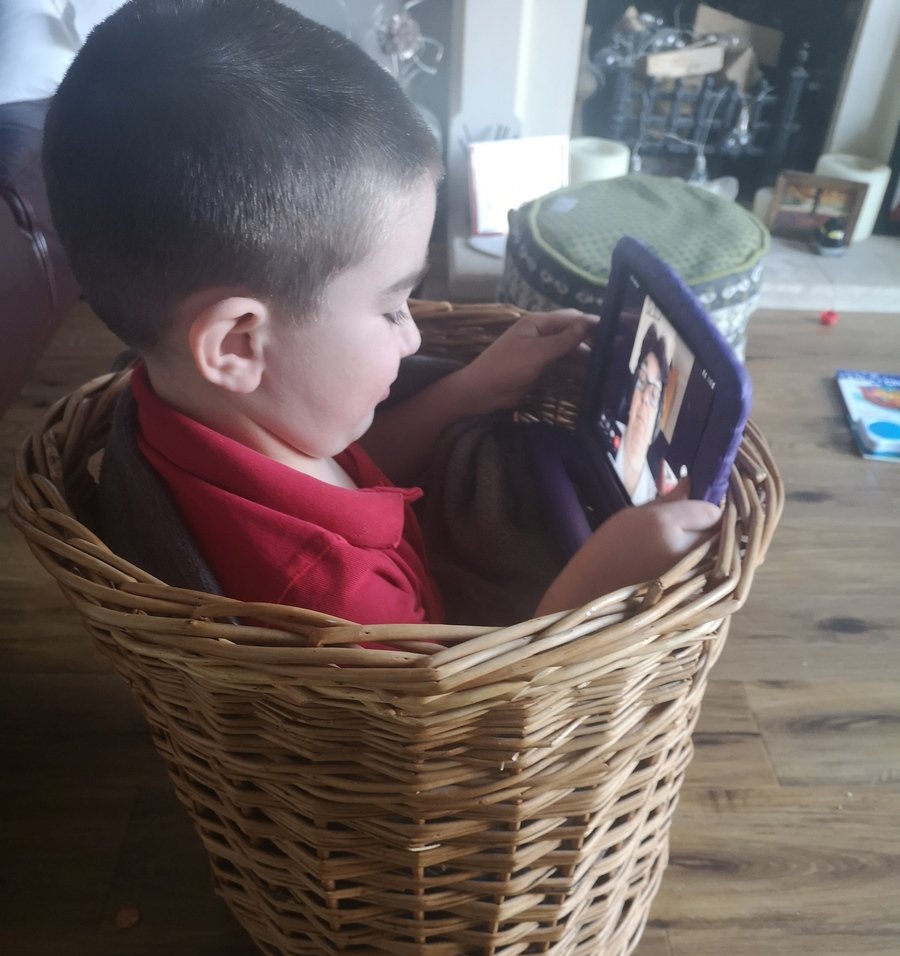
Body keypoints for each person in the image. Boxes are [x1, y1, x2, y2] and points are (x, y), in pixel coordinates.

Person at [42, 0, 720, 626]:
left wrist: (474, 387)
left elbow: (345, 477)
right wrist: (597, 582)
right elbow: (461, 697)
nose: (414, 335)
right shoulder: (332, 594)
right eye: (393, 306)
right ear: (237, 346)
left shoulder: (211, 411)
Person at [614, 324, 677, 504]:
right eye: (641, 381)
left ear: (658, 415)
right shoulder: (607, 430)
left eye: (654, 393)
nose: (644, 398)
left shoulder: (652, 497)